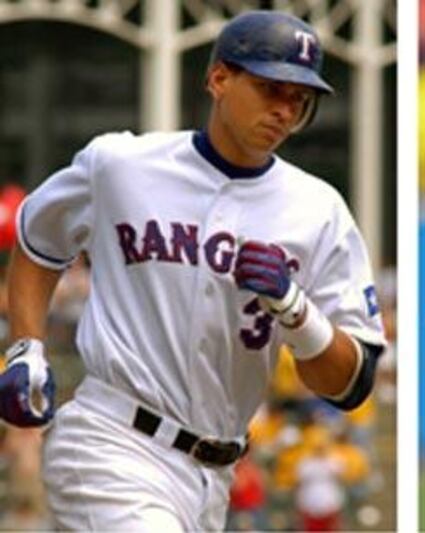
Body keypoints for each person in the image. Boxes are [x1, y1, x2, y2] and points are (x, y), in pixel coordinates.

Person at [0, 9, 385, 530]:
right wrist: (27, 346)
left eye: (300, 99)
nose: (285, 110)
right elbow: (36, 242)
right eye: (272, 88)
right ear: (219, 78)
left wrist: (298, 312)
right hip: (111, 441)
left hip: (216, 474)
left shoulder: (319, 211)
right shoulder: (121, 165)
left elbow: (351, 383)